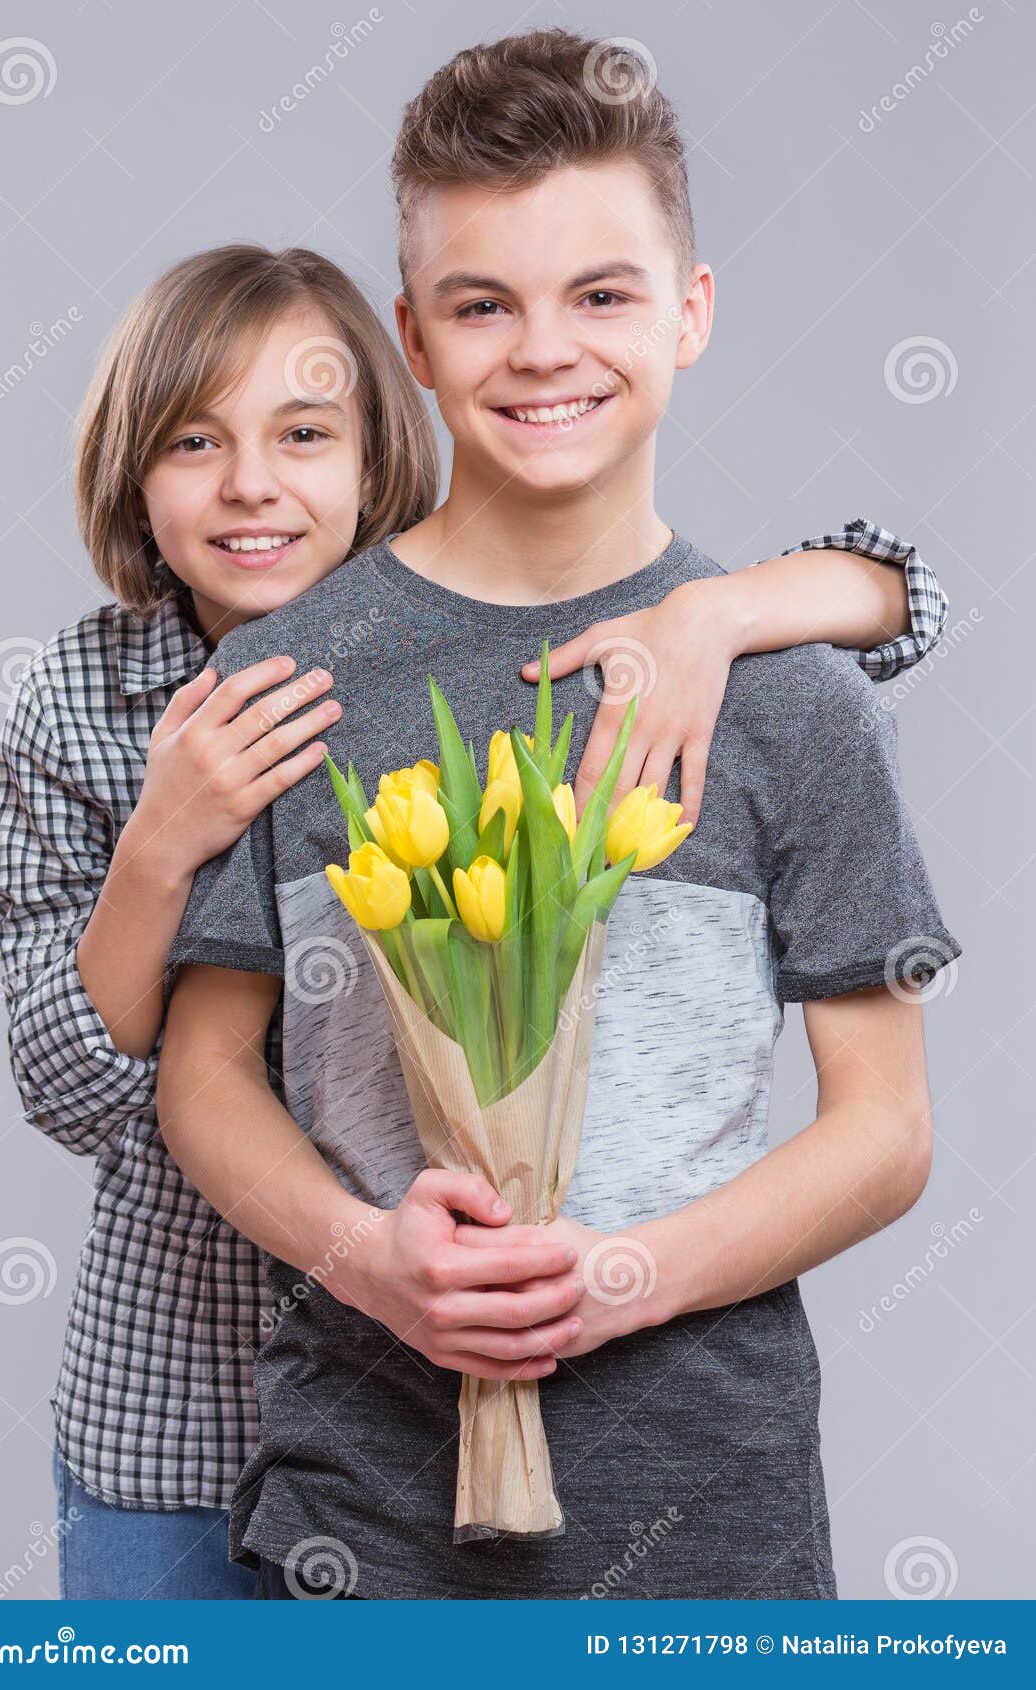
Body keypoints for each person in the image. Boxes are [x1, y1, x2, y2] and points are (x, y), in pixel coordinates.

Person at [155, 31, 961, 1601]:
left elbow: (887, 1129)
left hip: (708, 1524)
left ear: (690, 311)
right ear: (411, 337)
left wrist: (617, 1280)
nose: (542, 351)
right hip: (357, 1520)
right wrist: (371, 1262)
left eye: (600, 294)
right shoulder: (284, 677)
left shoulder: (791, 696)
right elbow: (199, 1075)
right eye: (481, 304)